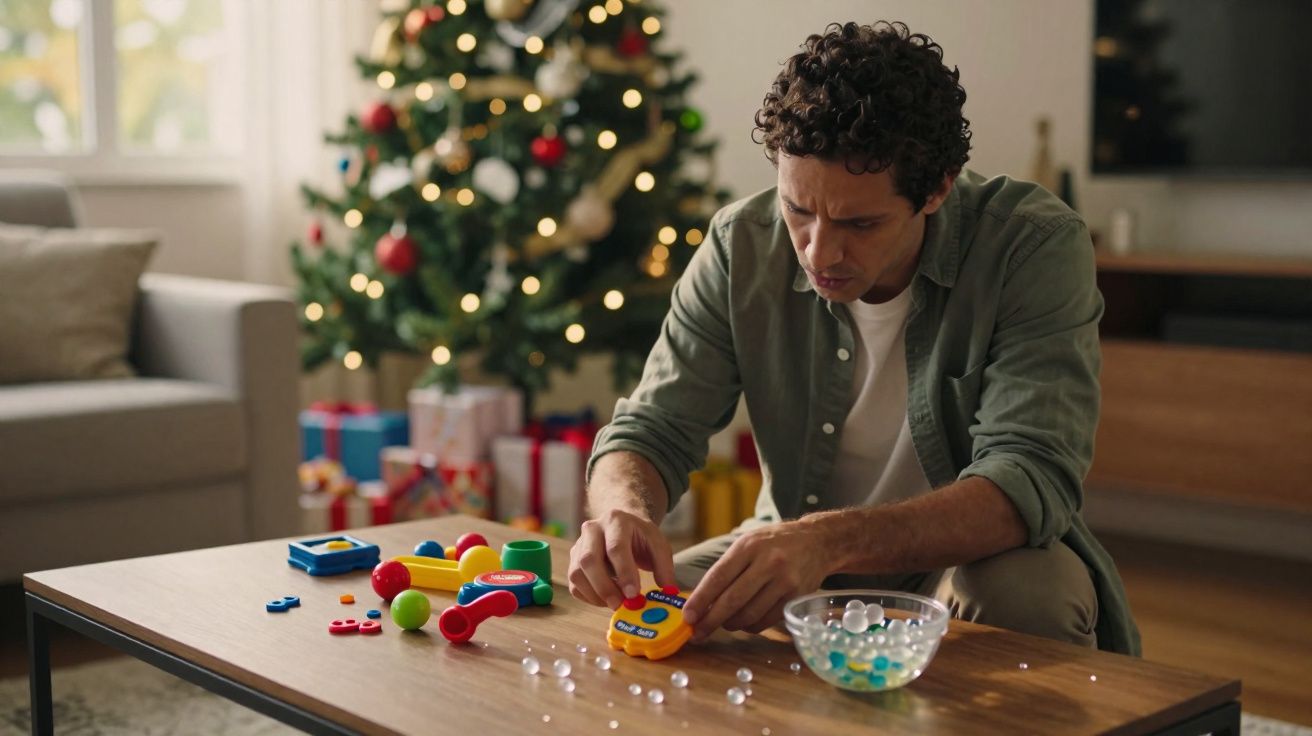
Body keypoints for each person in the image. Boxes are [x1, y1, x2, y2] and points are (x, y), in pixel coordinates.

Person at [568, 20, 1140, 655]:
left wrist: (828, 541)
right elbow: (652, 430)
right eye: (798, 210)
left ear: (937, 188)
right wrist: (622, 510)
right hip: (791, 549)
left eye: (860, 222)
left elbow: (1029, 479)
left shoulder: (1031, 244)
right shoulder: (741, 244)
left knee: (1024, 594)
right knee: (641, 619)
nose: (819, 251)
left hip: (964, 564)